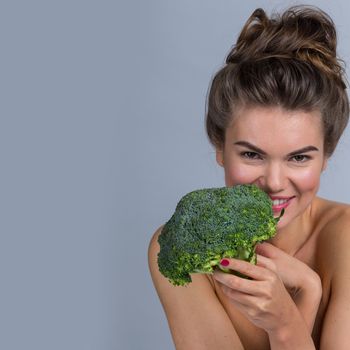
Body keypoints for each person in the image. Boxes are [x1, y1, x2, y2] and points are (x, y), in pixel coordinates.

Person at [148, 5, 350, 349]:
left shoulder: (346, 239)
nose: (274, 182)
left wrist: (289, 318)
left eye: (299, 157)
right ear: (220, 148)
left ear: (326, 156)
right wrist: (306, 299)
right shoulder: (184, 249)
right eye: (252, 154)